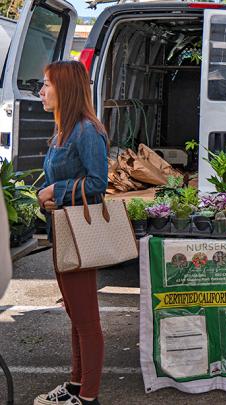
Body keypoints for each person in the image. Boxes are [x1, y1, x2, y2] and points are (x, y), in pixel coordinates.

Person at [36, 60, 108, 405]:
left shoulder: (86, 130)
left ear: (64, 88)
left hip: (80, 232)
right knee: (74, 314)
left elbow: (98, 182)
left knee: (86, 318)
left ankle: (88, 395)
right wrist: (47, 200)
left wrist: (55, 191)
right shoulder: (62, 130)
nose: (41, 91)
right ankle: (76, 386)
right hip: (62, 229)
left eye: (47, 84)